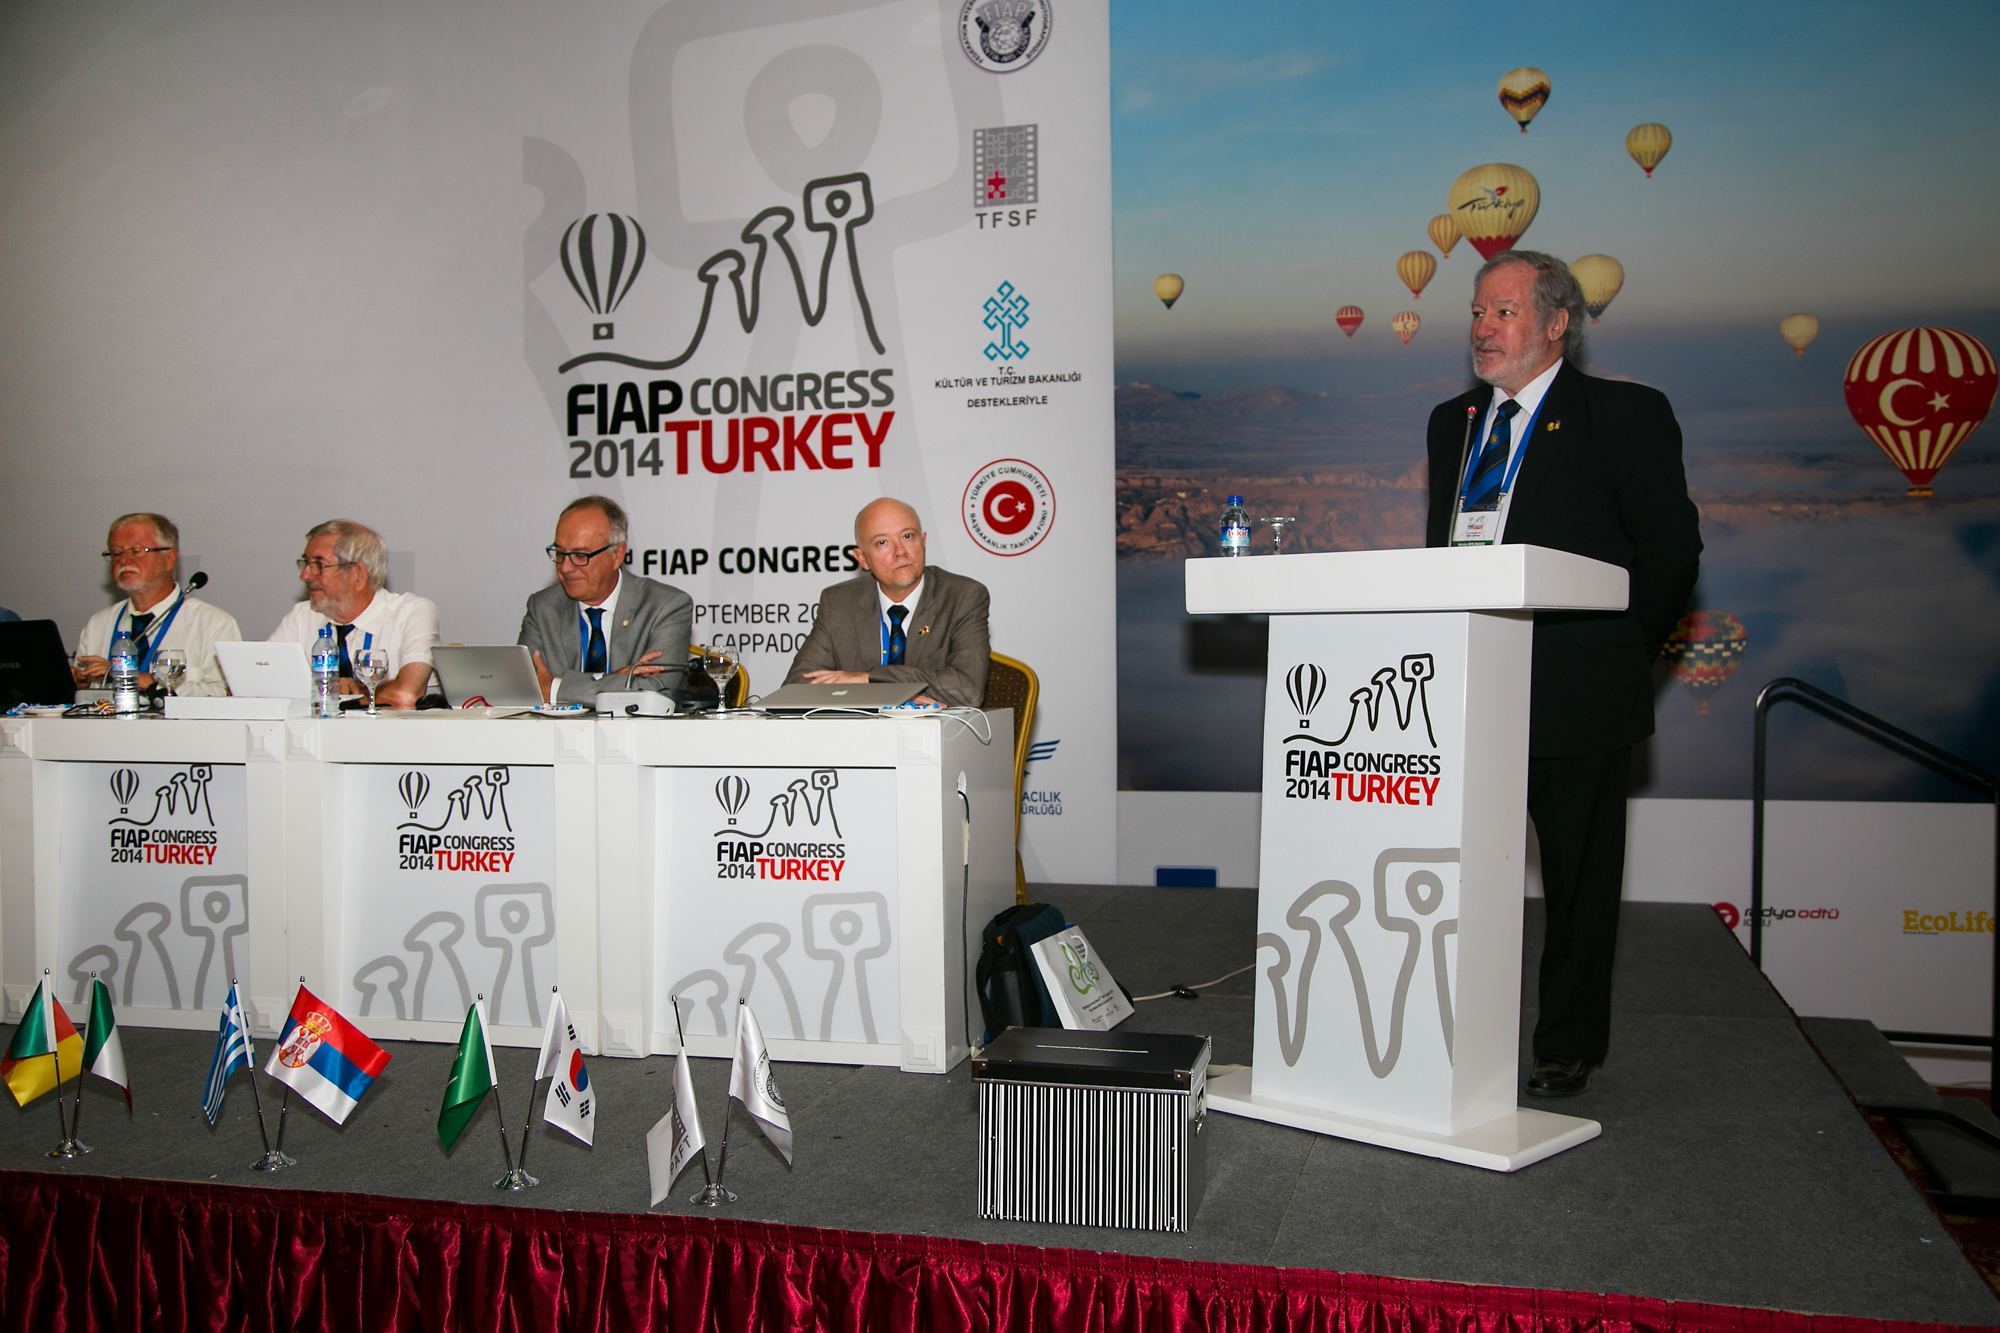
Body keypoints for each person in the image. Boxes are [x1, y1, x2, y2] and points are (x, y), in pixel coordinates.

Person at [1423, 251, 1701, 1099]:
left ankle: (1566, 1042)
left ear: (1556, 324)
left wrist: (1617, 655)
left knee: (1579, 882)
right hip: (1469, 689)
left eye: (1504, 312)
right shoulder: (1452, 423)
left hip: (1579, 691)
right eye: (1477, 311)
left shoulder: (1625, 414)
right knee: (1456, 874)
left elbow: (1670, 554)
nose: (1483, 328)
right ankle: (1446, 1026)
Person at [785, 497, 990, 708]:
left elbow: (968, 691)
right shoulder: (838, 603)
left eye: (907, 536)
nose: (900, 551)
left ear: (923, 542)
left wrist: (868, 678)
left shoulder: (962, 596)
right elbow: (797, 687)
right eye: (882, 542)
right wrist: (886, 696)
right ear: (862, 559)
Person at [520, 495, 692, 704]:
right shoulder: (542, 607)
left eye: (580, 555)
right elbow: (525, 687)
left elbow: (654, 691)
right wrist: (614, 679)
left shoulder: (666, 606)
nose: (565, 567)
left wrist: (555, 689)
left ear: (617, 555)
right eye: (559, 553)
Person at [269, 520, 439, 709]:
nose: (305, 575)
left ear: (358, 574)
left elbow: (406, 694)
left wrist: (357, 692)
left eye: (319, 565)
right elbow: (259, 685)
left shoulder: (411, 613)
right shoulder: (301, 617)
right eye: (306, 563)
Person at [73, 513, 241, 697]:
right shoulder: (98, 624)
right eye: (116, 552)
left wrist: (149, 681)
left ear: (169, 558)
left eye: (136, 551)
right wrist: (80, 685)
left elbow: (226, 696)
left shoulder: (214, 623)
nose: (123, 560)